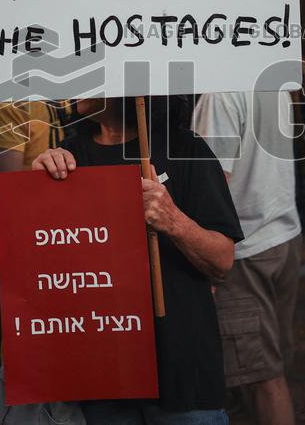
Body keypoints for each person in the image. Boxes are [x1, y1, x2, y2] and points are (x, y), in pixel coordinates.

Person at [33, 96, 243, 423]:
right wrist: (39, 185)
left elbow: (222, 260)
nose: (72, 91)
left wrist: (174, 220)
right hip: (105, 371)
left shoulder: (186, 149)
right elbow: (47, 259)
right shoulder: (69, 156)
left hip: (182, 369)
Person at [193, 91, 301, 425]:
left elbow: (214, 184)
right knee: (266, 368)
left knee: (262, 379)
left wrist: (205, 258)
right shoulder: (271, 80)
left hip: (246, 250)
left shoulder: (220, 94)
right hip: (281, 235)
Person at [0, 98, 78, 425]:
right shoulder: (77, 94)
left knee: (20, 388)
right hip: (71, 253)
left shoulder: (4, 99)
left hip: (15, 263)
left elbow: (5, 191)